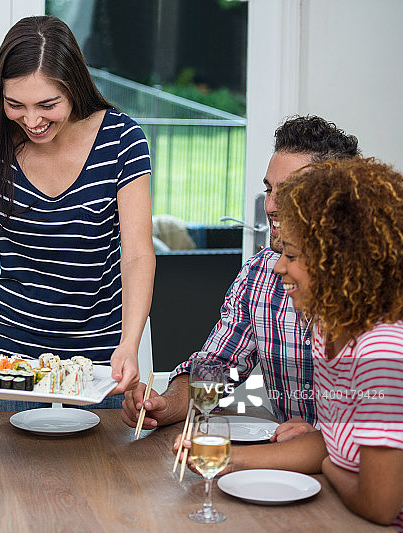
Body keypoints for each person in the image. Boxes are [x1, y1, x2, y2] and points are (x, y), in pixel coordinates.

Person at [0, 15, 154, 406]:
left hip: (97, 367)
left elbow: (139, 253)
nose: (32, 120)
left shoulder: (121, 139)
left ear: (73, 88)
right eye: (15, 105)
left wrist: (130, 344)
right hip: (8, 363)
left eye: (47, 105)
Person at [122, 115, 360, 438]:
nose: (271, 204)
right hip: (289, 469)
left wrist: (320, 440)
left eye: (288, 192)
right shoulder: (260, 274)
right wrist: (167, 405)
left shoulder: (375, 289)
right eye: (269, 189)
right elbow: (217, 367)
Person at [207, 157, 403, 530]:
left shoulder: (382, 352)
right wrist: (225, 457)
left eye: (293, 256)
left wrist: (329, 467)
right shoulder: (329, 335)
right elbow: (325, 443)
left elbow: (380, 505)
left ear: (339, 263)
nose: (277, 267)